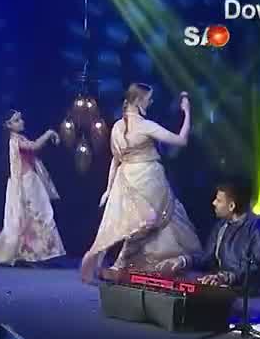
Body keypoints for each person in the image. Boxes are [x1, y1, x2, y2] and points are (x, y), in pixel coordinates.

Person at [80, 83, 202, 282]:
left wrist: (109, 188)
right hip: (147, 178)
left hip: (126, 178)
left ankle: (125, 264)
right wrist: (187, 113)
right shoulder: (146, 126)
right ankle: (121, 264)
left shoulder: (118, 127)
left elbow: (115, 160)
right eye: (148, 98)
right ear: (138, 101)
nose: (151, 102)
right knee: (146, 222)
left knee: (140, 224)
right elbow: (181, 141)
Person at [161, 178, 260, 312]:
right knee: (184, 282)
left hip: (254, 296)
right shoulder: (221, 227)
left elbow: (259, 269)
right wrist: (183, 261)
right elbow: (207, 259)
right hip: (228, 289)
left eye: (218, 200)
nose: (213, 203)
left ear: (231, 206)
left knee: (203, 306)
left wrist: (225, 277)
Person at [0, 110, 65, 265]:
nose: (21, 122)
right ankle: (29, 254)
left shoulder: (17, 138)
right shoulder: (14, 140)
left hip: (30, 181)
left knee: (37, 217)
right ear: (8, 125)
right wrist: (48, 133)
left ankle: (33, 254)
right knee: (34, 217)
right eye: (16, 120)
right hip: (25, 183)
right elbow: (34, 146)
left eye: (20, 119)